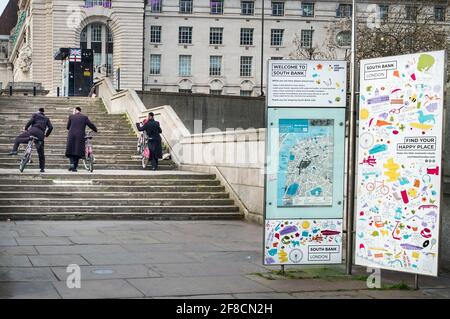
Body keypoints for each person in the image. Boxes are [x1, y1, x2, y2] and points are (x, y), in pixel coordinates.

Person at [8, 107, 53, 173]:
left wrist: (26, 128)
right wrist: (46, 135)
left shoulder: (35, 114)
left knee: (18, 138)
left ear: (38, 111)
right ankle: (42, 168)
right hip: (40, 135)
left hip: (32, 131)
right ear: (43, 113)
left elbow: (30, 121)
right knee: (41, 153)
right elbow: (51, 127)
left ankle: (14, 150)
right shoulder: (46, 118)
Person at [65, 106, 97, 172]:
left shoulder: (71, 116)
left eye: (73, 111)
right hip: (80, 135)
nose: (73, 112)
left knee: (71, 149)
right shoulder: (84, 117)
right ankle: (74, 167)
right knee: (77, 151)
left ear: (76, 110)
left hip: (71, 135)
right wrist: (95, 129)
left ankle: (71, 164)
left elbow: (68, 127)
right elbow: (91, 125)